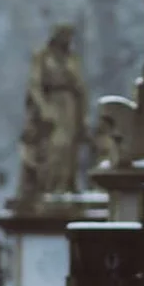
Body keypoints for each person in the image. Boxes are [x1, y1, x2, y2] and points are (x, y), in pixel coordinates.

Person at [17, 24, 88, 202]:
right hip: (51, 103)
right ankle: (49, 185)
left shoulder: (73, 58)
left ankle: (66, 185)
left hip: (70, 106)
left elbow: (80, 86)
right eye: (64, 35)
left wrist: (82, 113)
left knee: (69, 147)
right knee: (54, 145)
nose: (67, 40)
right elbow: (35, 85)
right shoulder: (42, 57)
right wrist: (44, 108)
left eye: (70, 36)